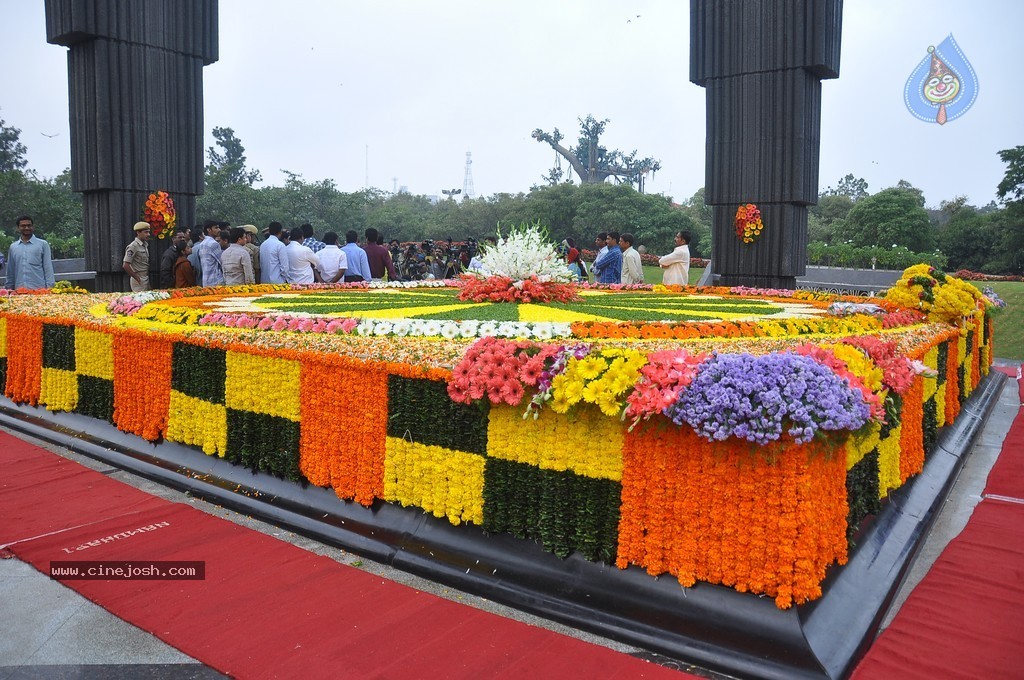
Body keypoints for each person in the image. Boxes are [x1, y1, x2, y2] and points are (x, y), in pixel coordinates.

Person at [4, 215, 55, 290]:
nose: (27, 228)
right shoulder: (13, 247)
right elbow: (10, 270)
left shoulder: (42, 244)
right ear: (18, 228)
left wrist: (50, 288)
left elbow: (48, 267)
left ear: (33, 227)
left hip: (39, 290)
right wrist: (9, 289)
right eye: (23, 226)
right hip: (20, 291)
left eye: (29, 225)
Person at [122, 221, 152, 291]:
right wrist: (137, 278)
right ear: (138, 233)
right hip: (138, 278)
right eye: (146, 232)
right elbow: (125, 265)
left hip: (145, 276)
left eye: (148, 232)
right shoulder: (133, 246)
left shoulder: (144, 245)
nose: (148, 234)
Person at [195, 220, 224, 286]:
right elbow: (222, 261)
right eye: (216, 228)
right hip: (215, 281)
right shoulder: (213, 244)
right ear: (209, 230)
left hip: (206, 280)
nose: (219, 230)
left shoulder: (202, 243)